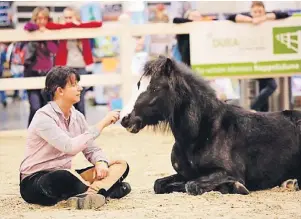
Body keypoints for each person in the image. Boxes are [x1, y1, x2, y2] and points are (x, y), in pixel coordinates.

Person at [19, 66, 131, 209]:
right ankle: (102, 190)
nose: (80, 88)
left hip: (68, 175)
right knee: (63, 177)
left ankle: (90, 193)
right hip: (35, 181)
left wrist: (100, 162)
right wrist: (102, 124)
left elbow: (91, 148)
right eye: (74, 85)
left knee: (121, 165)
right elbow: (69, 147)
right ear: (59, 91)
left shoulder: (77, 116)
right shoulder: (43, 117)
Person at [227, 1, 290, 112]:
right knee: (271, 85)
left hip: (264, 61)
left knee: (266, 86)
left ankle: (261, 114)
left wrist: (263, 18)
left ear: (264, 10)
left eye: (260, 11)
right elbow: (230, 17)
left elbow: (284, 14)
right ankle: (252, 109)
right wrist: (251, 20)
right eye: (255, 11)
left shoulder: (268, 17)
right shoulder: (246, 17)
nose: (257, 13)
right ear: (251, 11)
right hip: (250, 61)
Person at [23, 7, 58, 126]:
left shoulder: (51, 33)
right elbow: (27, 26)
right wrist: (38, 31)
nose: (41, 21)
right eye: (38, 18)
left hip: (47, 73)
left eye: (44, 18)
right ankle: (31, 132)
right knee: (35, 106)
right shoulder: (30, 31)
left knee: (45, 107)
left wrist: (46, 35)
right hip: (31, 71)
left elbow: (54, 50)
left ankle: (43, 134)